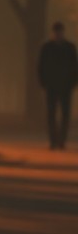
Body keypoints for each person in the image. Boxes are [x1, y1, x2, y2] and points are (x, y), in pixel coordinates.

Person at [38, 21, 78, 150]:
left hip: (66, 86)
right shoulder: (46, 48)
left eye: (60, 32)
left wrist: (73, 83)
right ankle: (53, 141)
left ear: (62, 32)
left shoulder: (70, 48)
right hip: (51, 86)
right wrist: (43, 82)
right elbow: (40, 66)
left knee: (65, 114)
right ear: (53, 33)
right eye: (56, 32)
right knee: (51, 114)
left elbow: (75, 67)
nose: (58, 34)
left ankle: (62, 140)